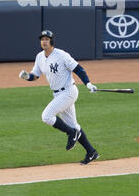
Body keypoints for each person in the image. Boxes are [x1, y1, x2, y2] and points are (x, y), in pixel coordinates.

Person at [18, 29, 99, 165]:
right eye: (42, 39)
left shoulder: (61, 55)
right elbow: (35, 76)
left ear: (52, 41)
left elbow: (78, 68)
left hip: (68, 91)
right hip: (57, 94)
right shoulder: (39, 57)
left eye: (47, 39)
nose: (44, 41)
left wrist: (88, 83)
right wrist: (27, 76)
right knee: (73, 125)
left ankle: (71, 133)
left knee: (47, 116)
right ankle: (91, 152)